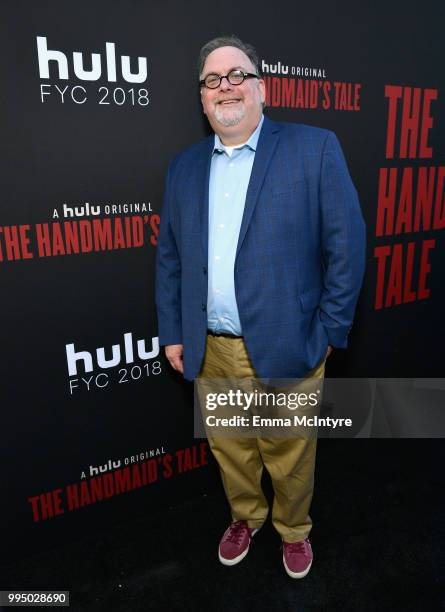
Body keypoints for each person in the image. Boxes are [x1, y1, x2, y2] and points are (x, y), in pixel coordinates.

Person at [155, 35, 366, 578]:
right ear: (202, 100)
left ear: (261, 88)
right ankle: (245, 516)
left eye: (237, 75)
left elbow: (346, 245)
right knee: (231, 449)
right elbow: (172, 260)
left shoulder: (314, 147)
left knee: (290, 454)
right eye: (212, 80)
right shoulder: (182, 168)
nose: (225, 86)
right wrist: (174, 333)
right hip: (212, 349)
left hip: (289, 343)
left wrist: (327, 331)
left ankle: (294, 529)